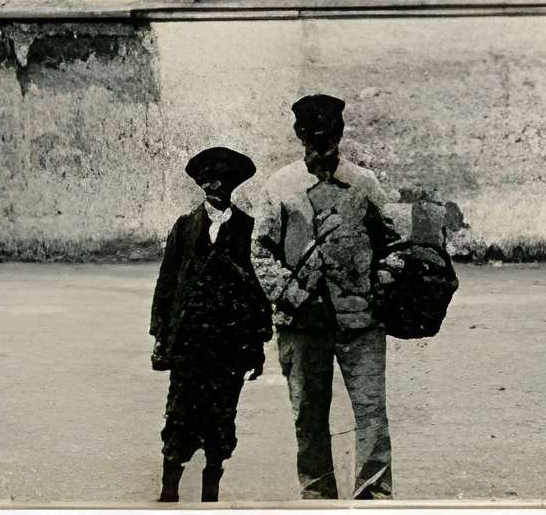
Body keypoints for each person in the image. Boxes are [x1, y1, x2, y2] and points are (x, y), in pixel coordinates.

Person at [246, 94, 406, 501]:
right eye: (314, 133)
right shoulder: (280, 186)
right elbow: (260, 253)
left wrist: (379, 283)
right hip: (301, 325)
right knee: (308, 416)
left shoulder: (364, 183)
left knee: (371, 414)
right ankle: (318, 499)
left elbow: (393, 245)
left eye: (331, 131)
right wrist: (294, 296)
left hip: (360, 322)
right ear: (299, 134)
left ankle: (374, 499)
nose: (323, 141)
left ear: (341, 131)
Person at [149, 145, 269, 504]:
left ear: (234, 184)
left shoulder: (248, 228)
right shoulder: (185, 226)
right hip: (189, 341)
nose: (215, 186)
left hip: (229, 344)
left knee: (221, 418)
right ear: (201, 183)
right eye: (209, 179)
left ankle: (210, 497)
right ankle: (168, 492)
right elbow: (167, 282)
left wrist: (257, 343)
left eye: (223, 179)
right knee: (179, 414)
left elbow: (257, 290)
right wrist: (160, 335)